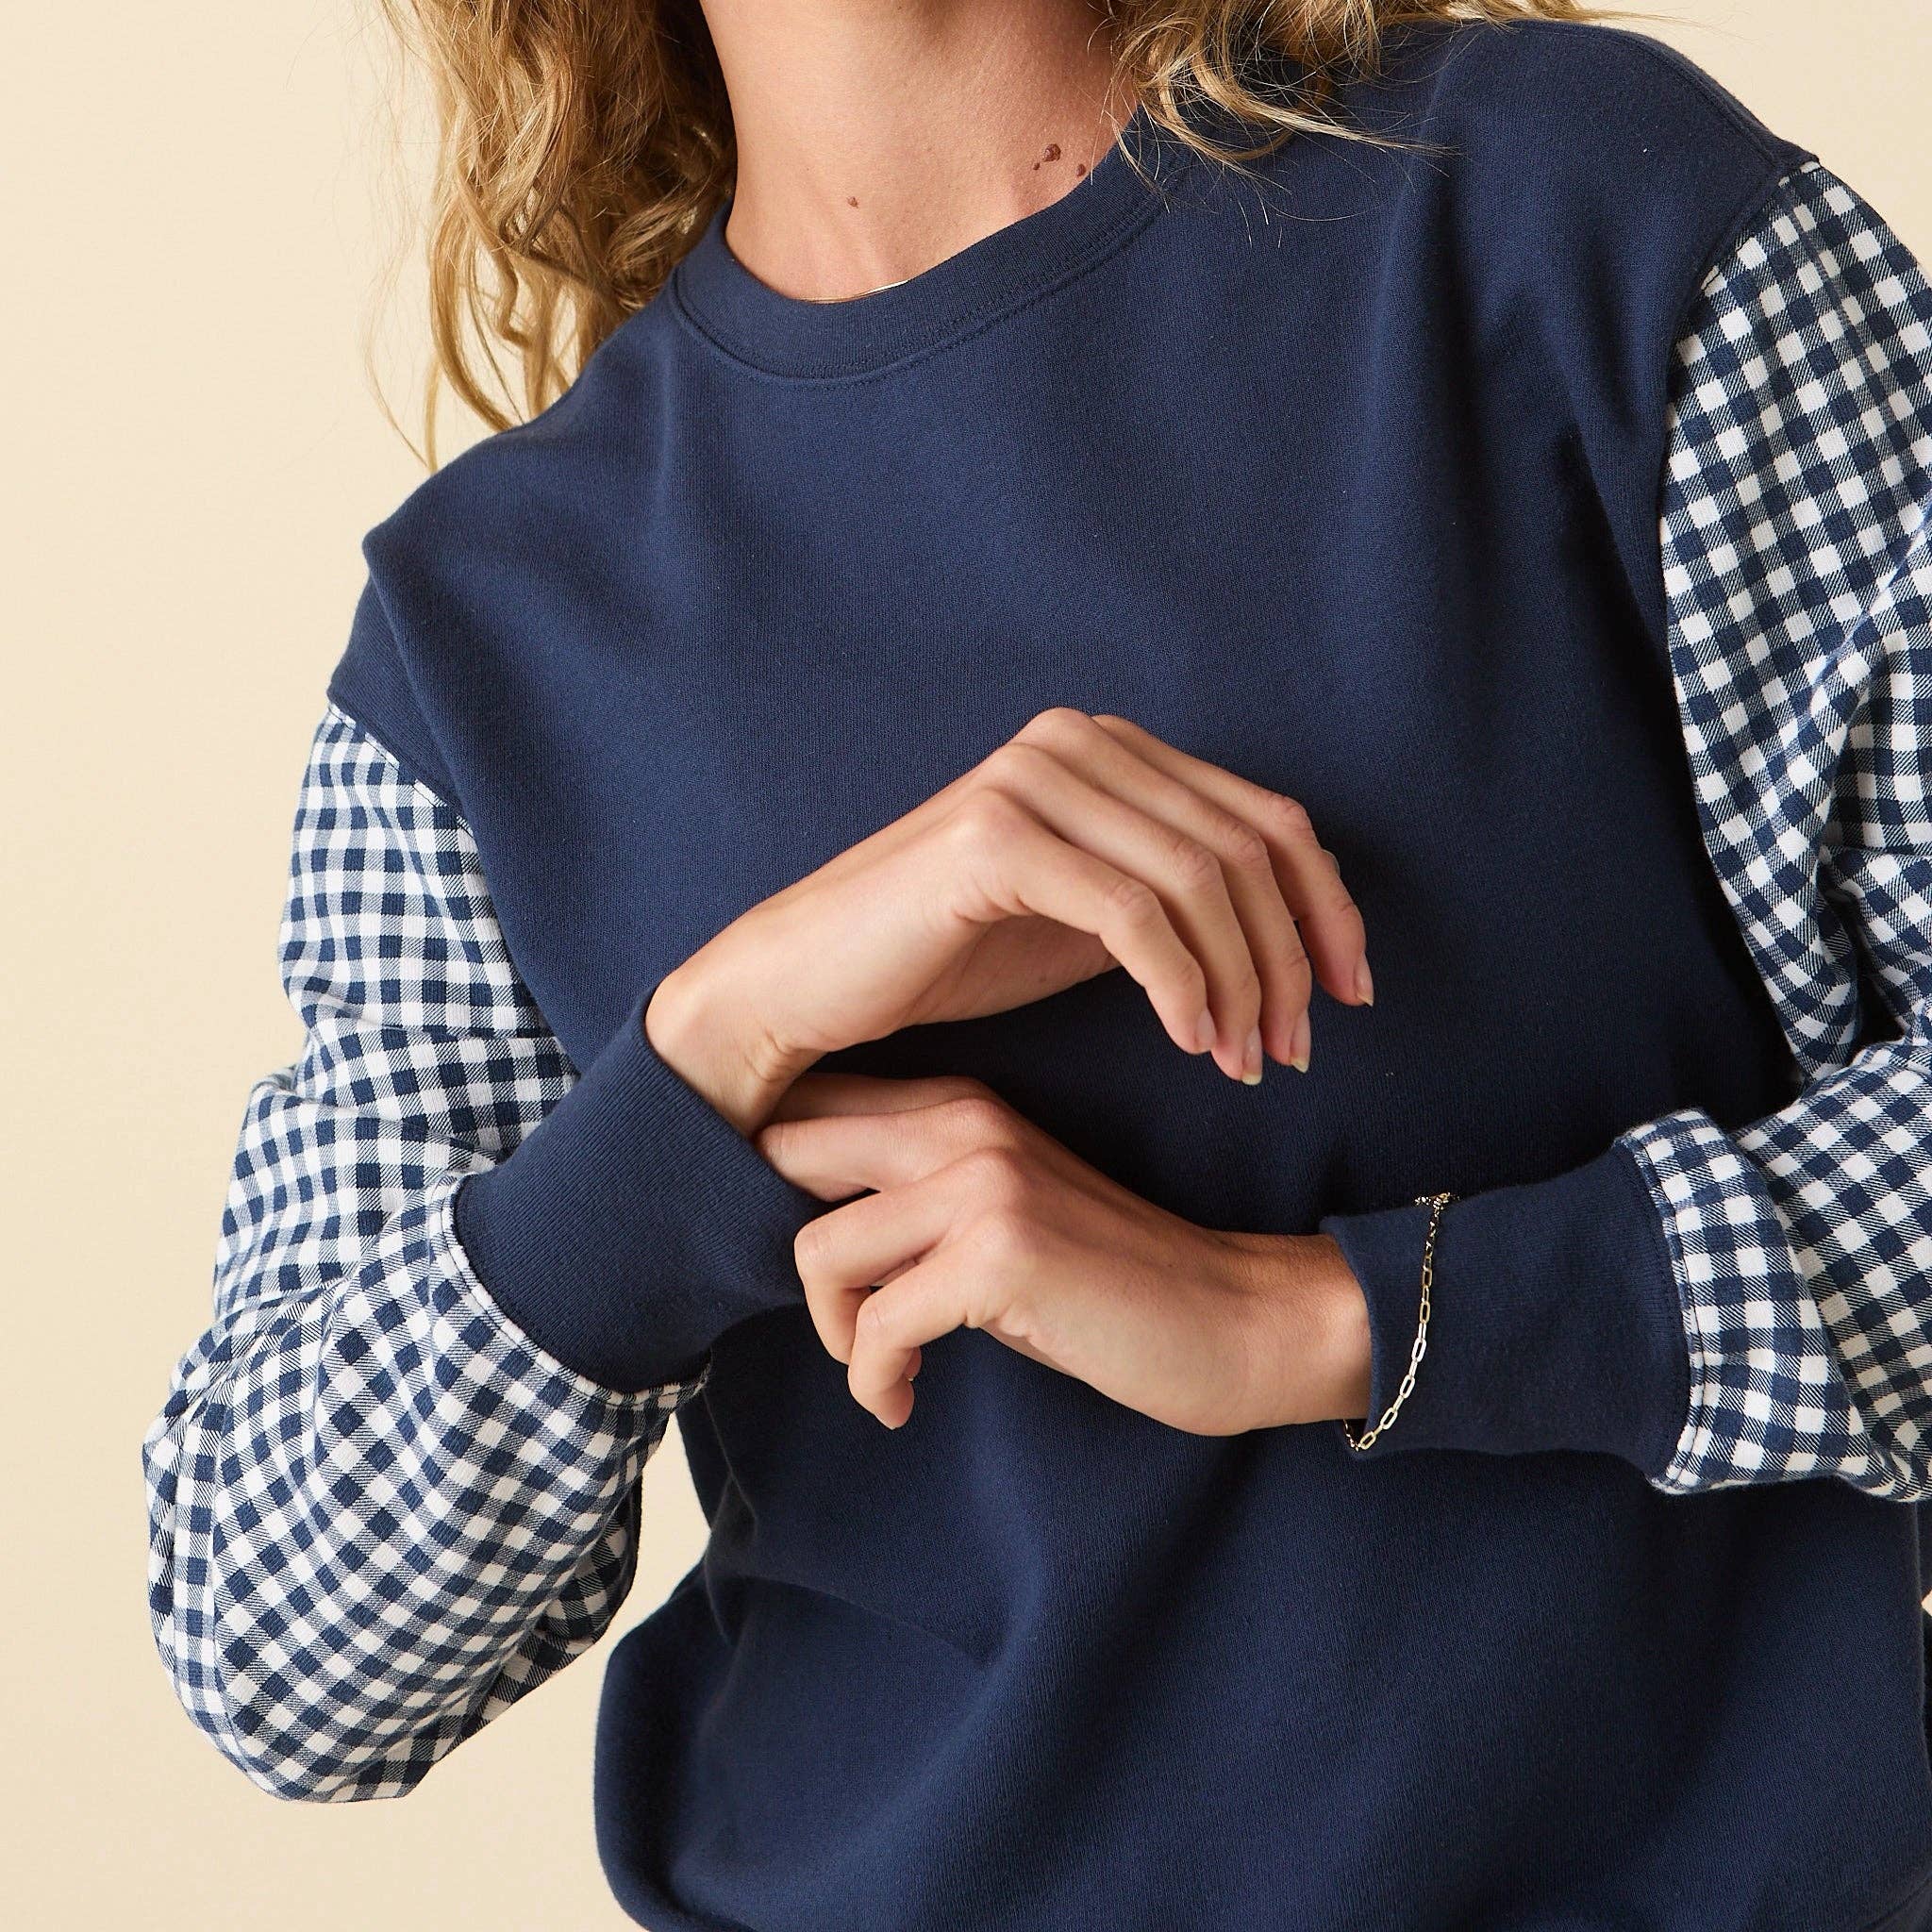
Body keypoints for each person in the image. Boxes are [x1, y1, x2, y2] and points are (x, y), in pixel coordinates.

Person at [141, 1, 1932, 1926]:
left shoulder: (1575, 215)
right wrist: (721, 1049)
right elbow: (278, 1647)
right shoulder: (486, 627)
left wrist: (1327, 1319)